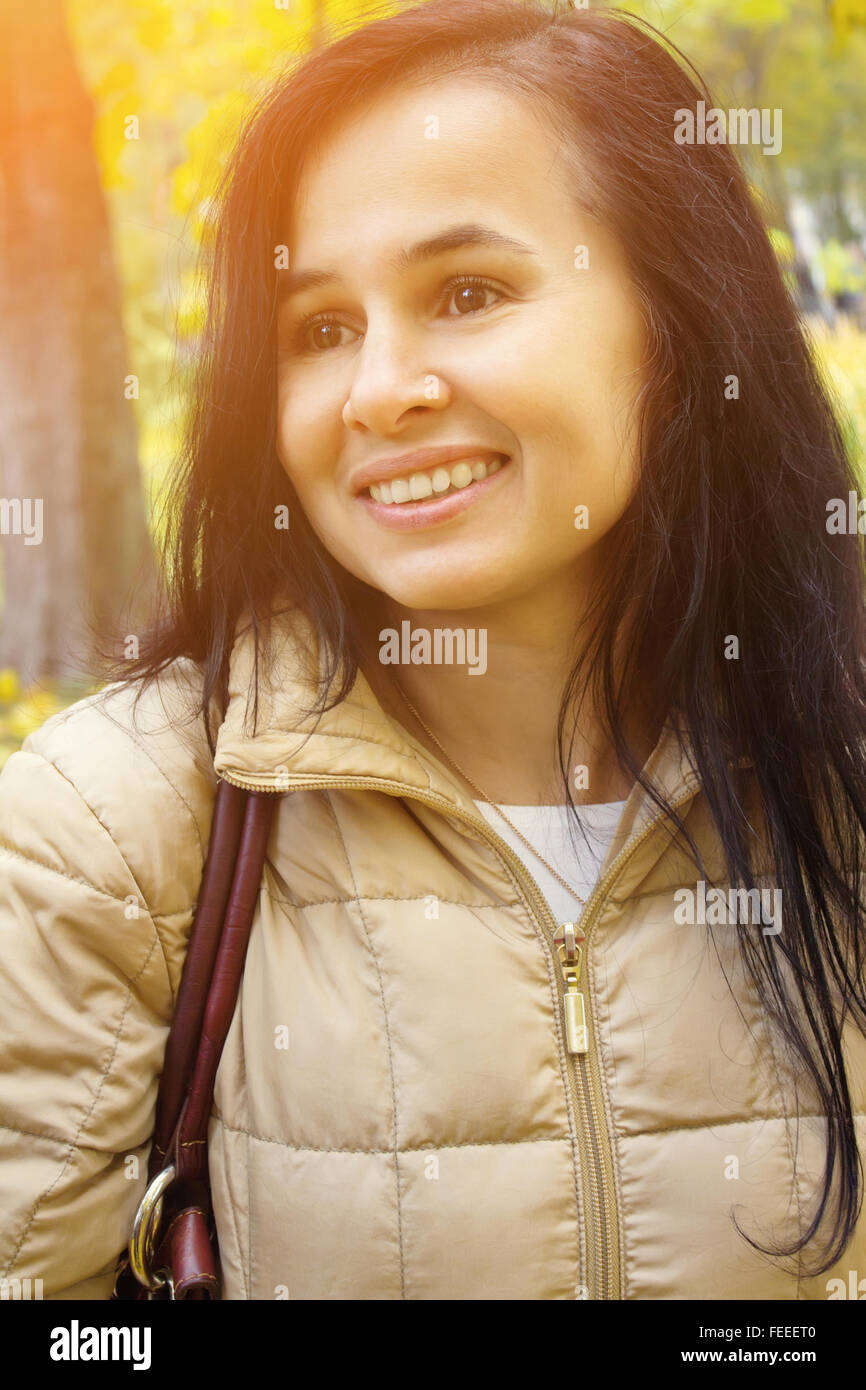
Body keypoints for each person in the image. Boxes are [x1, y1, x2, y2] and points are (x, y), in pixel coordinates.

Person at [1, 0, 865, 1301]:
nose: (376, 389)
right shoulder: (112, 832)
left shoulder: (836, 765)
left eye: (467, 292)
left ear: (676, 330)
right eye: (320, 328)